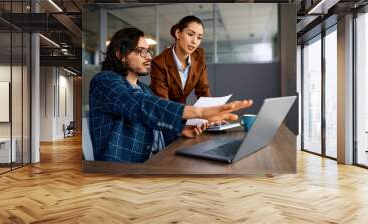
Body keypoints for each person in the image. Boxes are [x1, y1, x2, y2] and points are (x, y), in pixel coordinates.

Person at [89, 27, 252, 163]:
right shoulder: (104, 81)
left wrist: (182, 129)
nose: (149, 57)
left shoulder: (145, 90)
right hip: (119, 171)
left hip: (154, 162)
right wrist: (200, 112)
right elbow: (140, 105)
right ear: (120, 55)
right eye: (141, 52)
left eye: (149, 51)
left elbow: (156, 122)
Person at [150, 15, 209, 104]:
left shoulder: (199, 56)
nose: (194, 41)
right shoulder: (159, 63)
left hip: (182, 110)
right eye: (190, 34)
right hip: (162, 112)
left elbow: (203, 92)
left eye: (199, 37)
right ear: (178, 33)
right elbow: (162, 102)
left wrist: (211, 113)